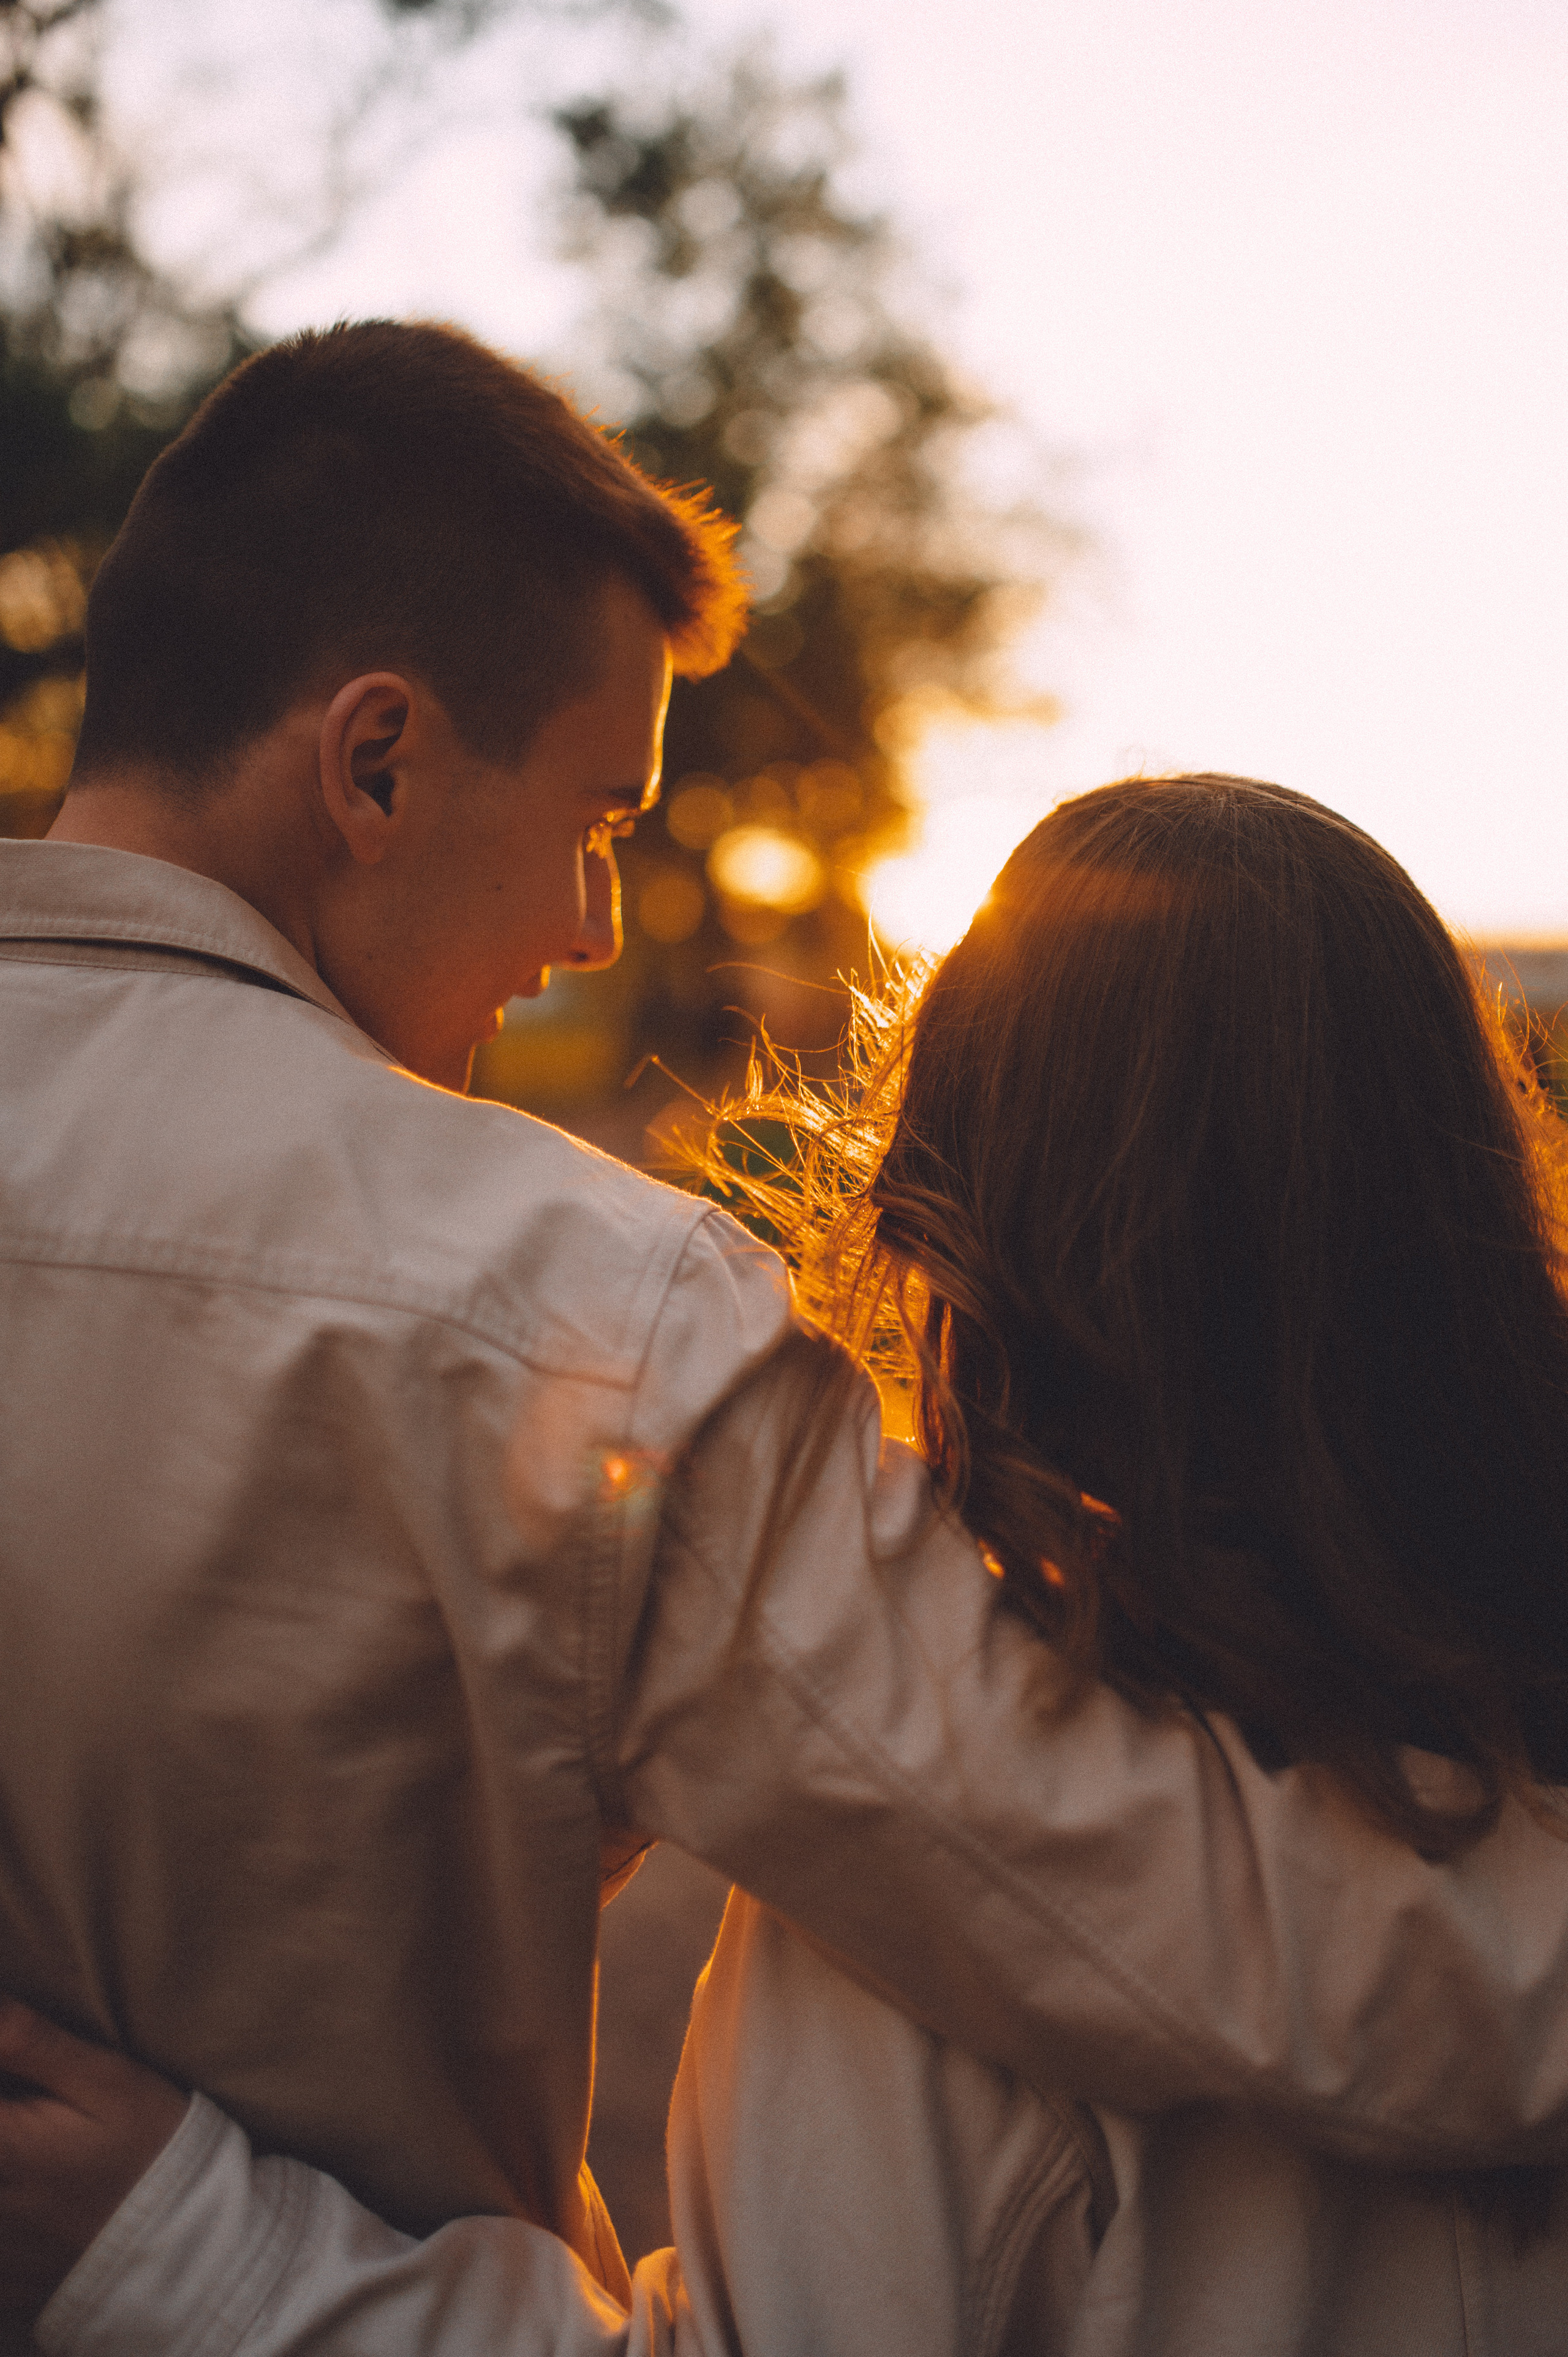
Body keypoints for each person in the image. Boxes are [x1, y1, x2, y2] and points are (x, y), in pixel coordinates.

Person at [4, 329, 1568, 2345]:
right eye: (599, 817)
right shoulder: (574, 1319)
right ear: (374, 762)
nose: (591, 923)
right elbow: (1141, 1893)